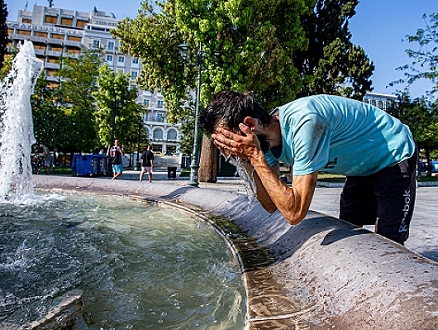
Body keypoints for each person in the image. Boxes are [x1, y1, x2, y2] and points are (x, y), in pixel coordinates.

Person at [200, 91, 418, 245]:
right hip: (361, 167)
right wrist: (247, 159)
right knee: (347, 228)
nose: (226, 147)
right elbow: (270, 204)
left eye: (227, 137)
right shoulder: (263, 142)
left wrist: (254, 157)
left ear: (249, 124)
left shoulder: (306, 122)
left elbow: (294, 212)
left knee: (390, 241)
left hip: (393, 154)